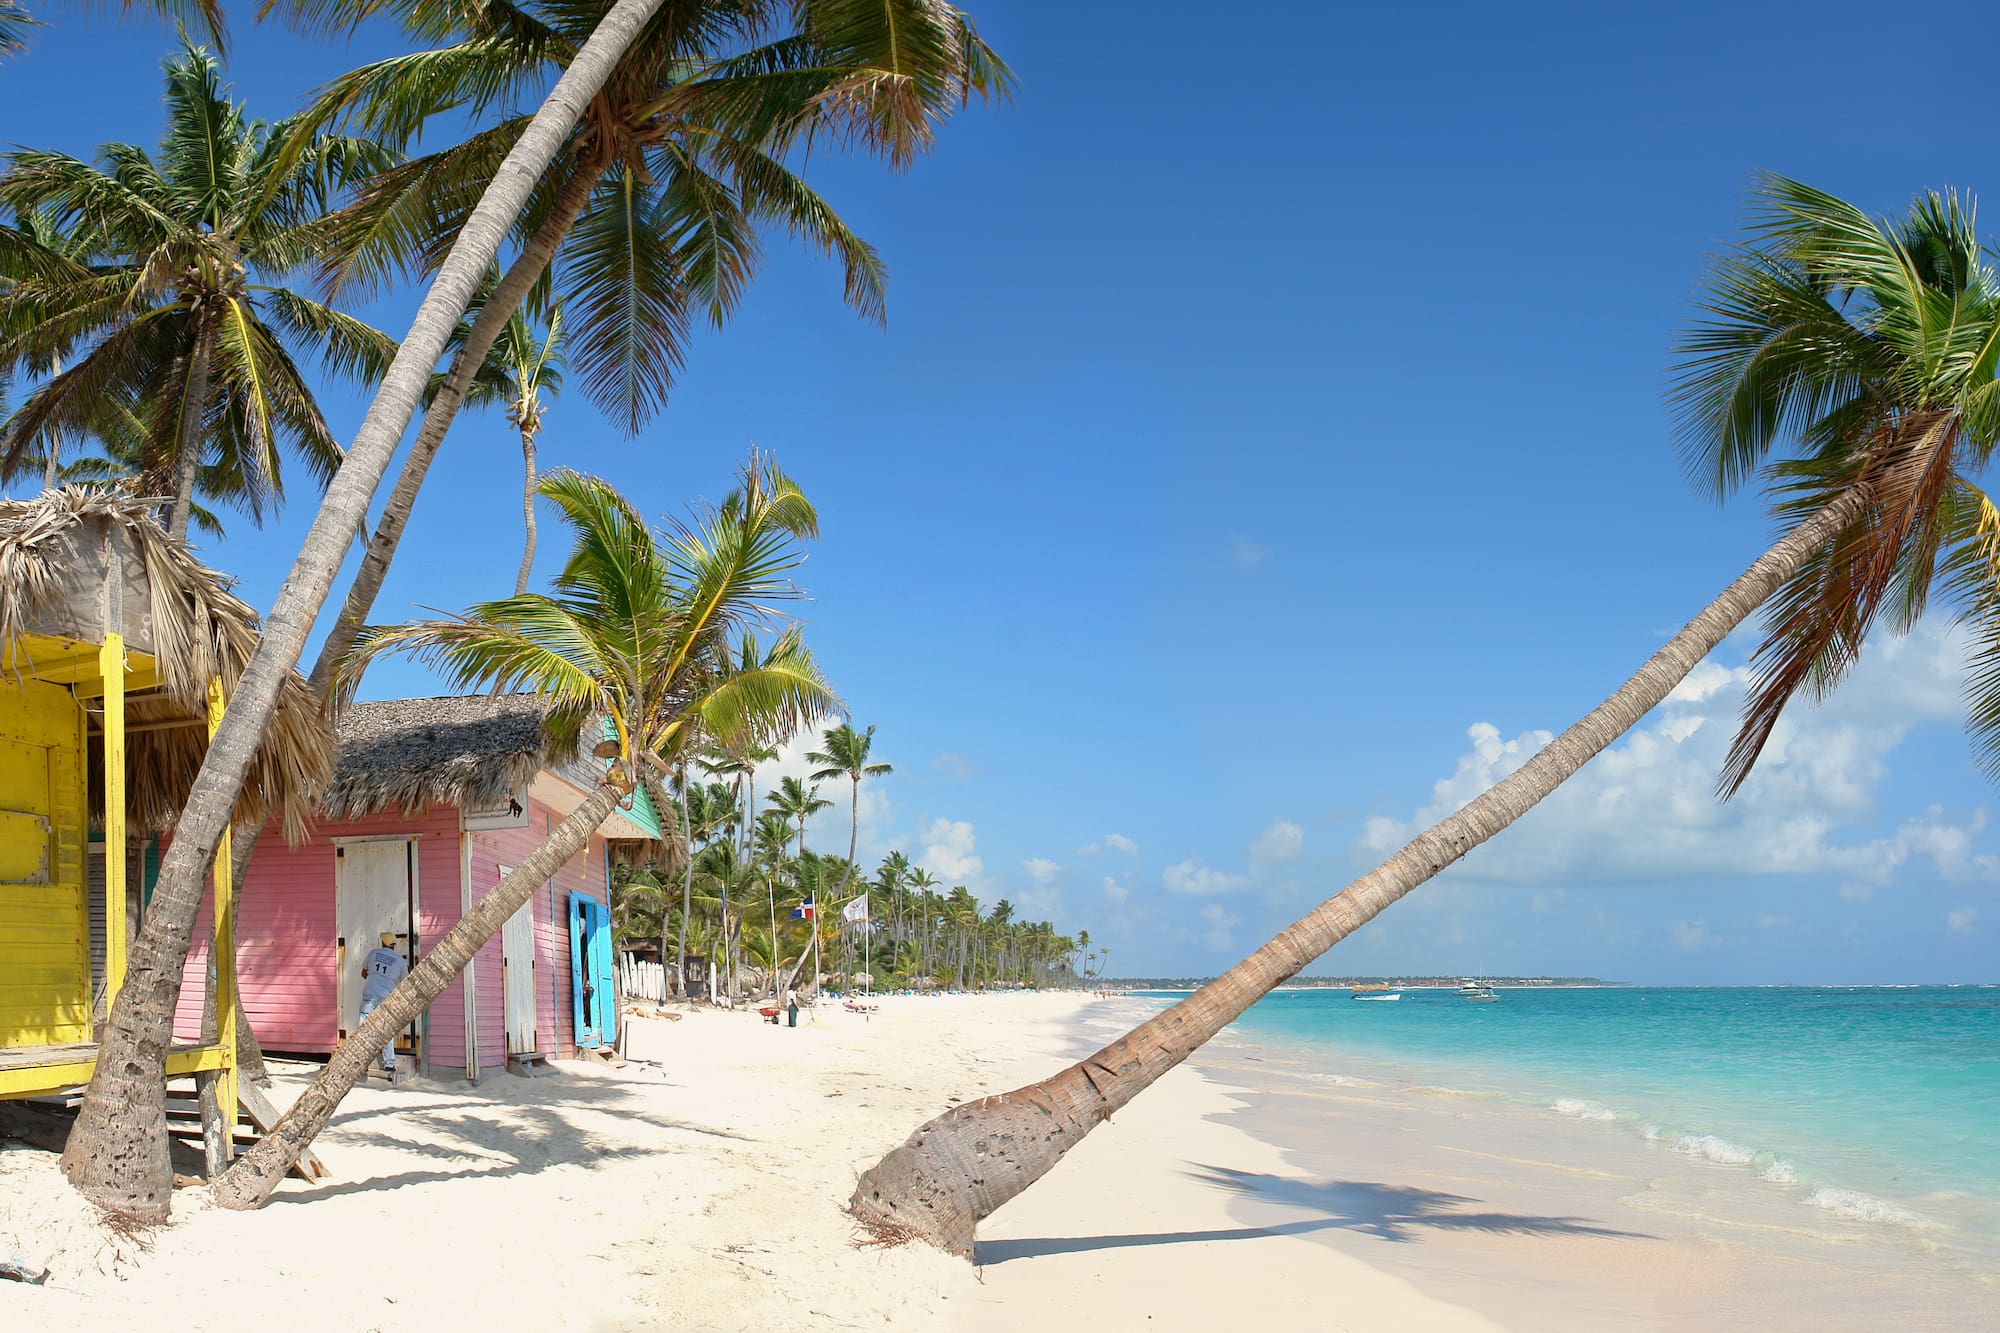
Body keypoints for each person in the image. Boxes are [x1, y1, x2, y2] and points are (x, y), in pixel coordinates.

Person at [358, 931, 408, 1073]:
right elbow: (405, 980)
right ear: (393, 945)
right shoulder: (400, 961)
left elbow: (364, 972)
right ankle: (389, 1063)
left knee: (364, 1028)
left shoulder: (373, 953)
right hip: (386, 997)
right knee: (386, 1030)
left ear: (383, 943)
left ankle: (362, 1061)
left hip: (369, 994)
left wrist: (374, 979)